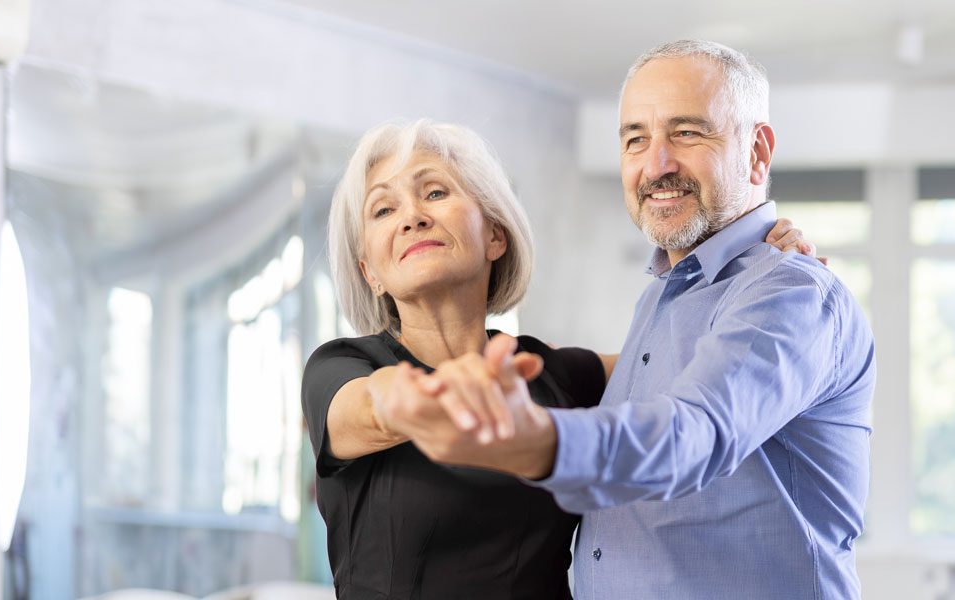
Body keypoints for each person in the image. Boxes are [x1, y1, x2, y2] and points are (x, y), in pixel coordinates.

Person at [373, 40, 877, 600]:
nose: (657, 165)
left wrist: (534, 440)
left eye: (687, 133)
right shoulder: (662, 297)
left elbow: (694, 434)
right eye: (636, 139)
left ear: (757, 152)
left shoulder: (791, 292)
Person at [301, 118, 817, 599]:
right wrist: (432, 397)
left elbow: (695, 361)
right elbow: (373, 406)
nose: (412, 218)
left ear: (495, 236)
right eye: (383, 210)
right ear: (370, 273)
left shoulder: (555, 376)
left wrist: (759, 268)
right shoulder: (341, 368)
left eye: (435, 193)